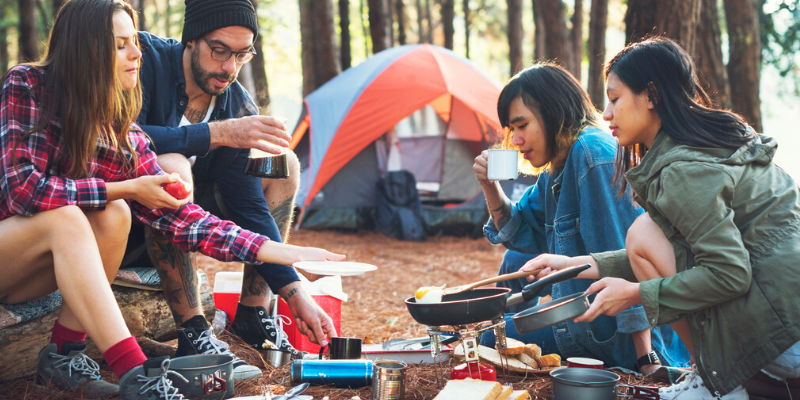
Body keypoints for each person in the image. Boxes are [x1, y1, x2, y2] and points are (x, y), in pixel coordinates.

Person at [0, 0, 343, 398]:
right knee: (71, 217)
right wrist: (126, 188)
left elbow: (182, 218)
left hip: (38, 271)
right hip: (11, 252)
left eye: (135, 42)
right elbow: (22, 190)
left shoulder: (117, 125)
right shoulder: (28, 83)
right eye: (121, 44)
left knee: (113, 215)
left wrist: (277, 252)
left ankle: (62, 355)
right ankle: (138, 376)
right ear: (87, 48)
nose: (136, 54)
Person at [524, 37, 800, 399]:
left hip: (786, 339)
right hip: (785, 322)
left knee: (642, 233)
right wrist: (574, 265)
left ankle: (722, 385)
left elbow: (730, 273)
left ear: (651, 95)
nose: (606, 113)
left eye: (615, 98)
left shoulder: (685, 169)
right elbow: (675, 251)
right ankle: (716, 377)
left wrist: (636, 294)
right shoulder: (706, 146)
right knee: (646, 236)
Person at [132, 0, 317, 374]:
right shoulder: (143, 60)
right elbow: (120, 137)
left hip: (192, 225)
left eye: (242, 55)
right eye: (220, 51)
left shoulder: (235, 103)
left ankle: (252, 312)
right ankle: (193, 330)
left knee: (282, 165)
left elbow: (248, 205)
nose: (229, 68)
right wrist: (214, 134)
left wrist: (295, 291)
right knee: (172, 167)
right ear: (191, 40)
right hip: (121, 220)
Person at [472, 64, 689, 374]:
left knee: (488, 341)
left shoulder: (591, 156)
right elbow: (518, 231)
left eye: (522, 125)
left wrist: (646, 361)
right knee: (513, 260)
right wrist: (489, 186)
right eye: (512, 130)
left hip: (613, 334)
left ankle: (494, 330)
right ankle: (498, 326)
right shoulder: (558, 165)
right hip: (587, 316)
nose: (516, 140)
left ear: (553, 112)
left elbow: (629, 257)